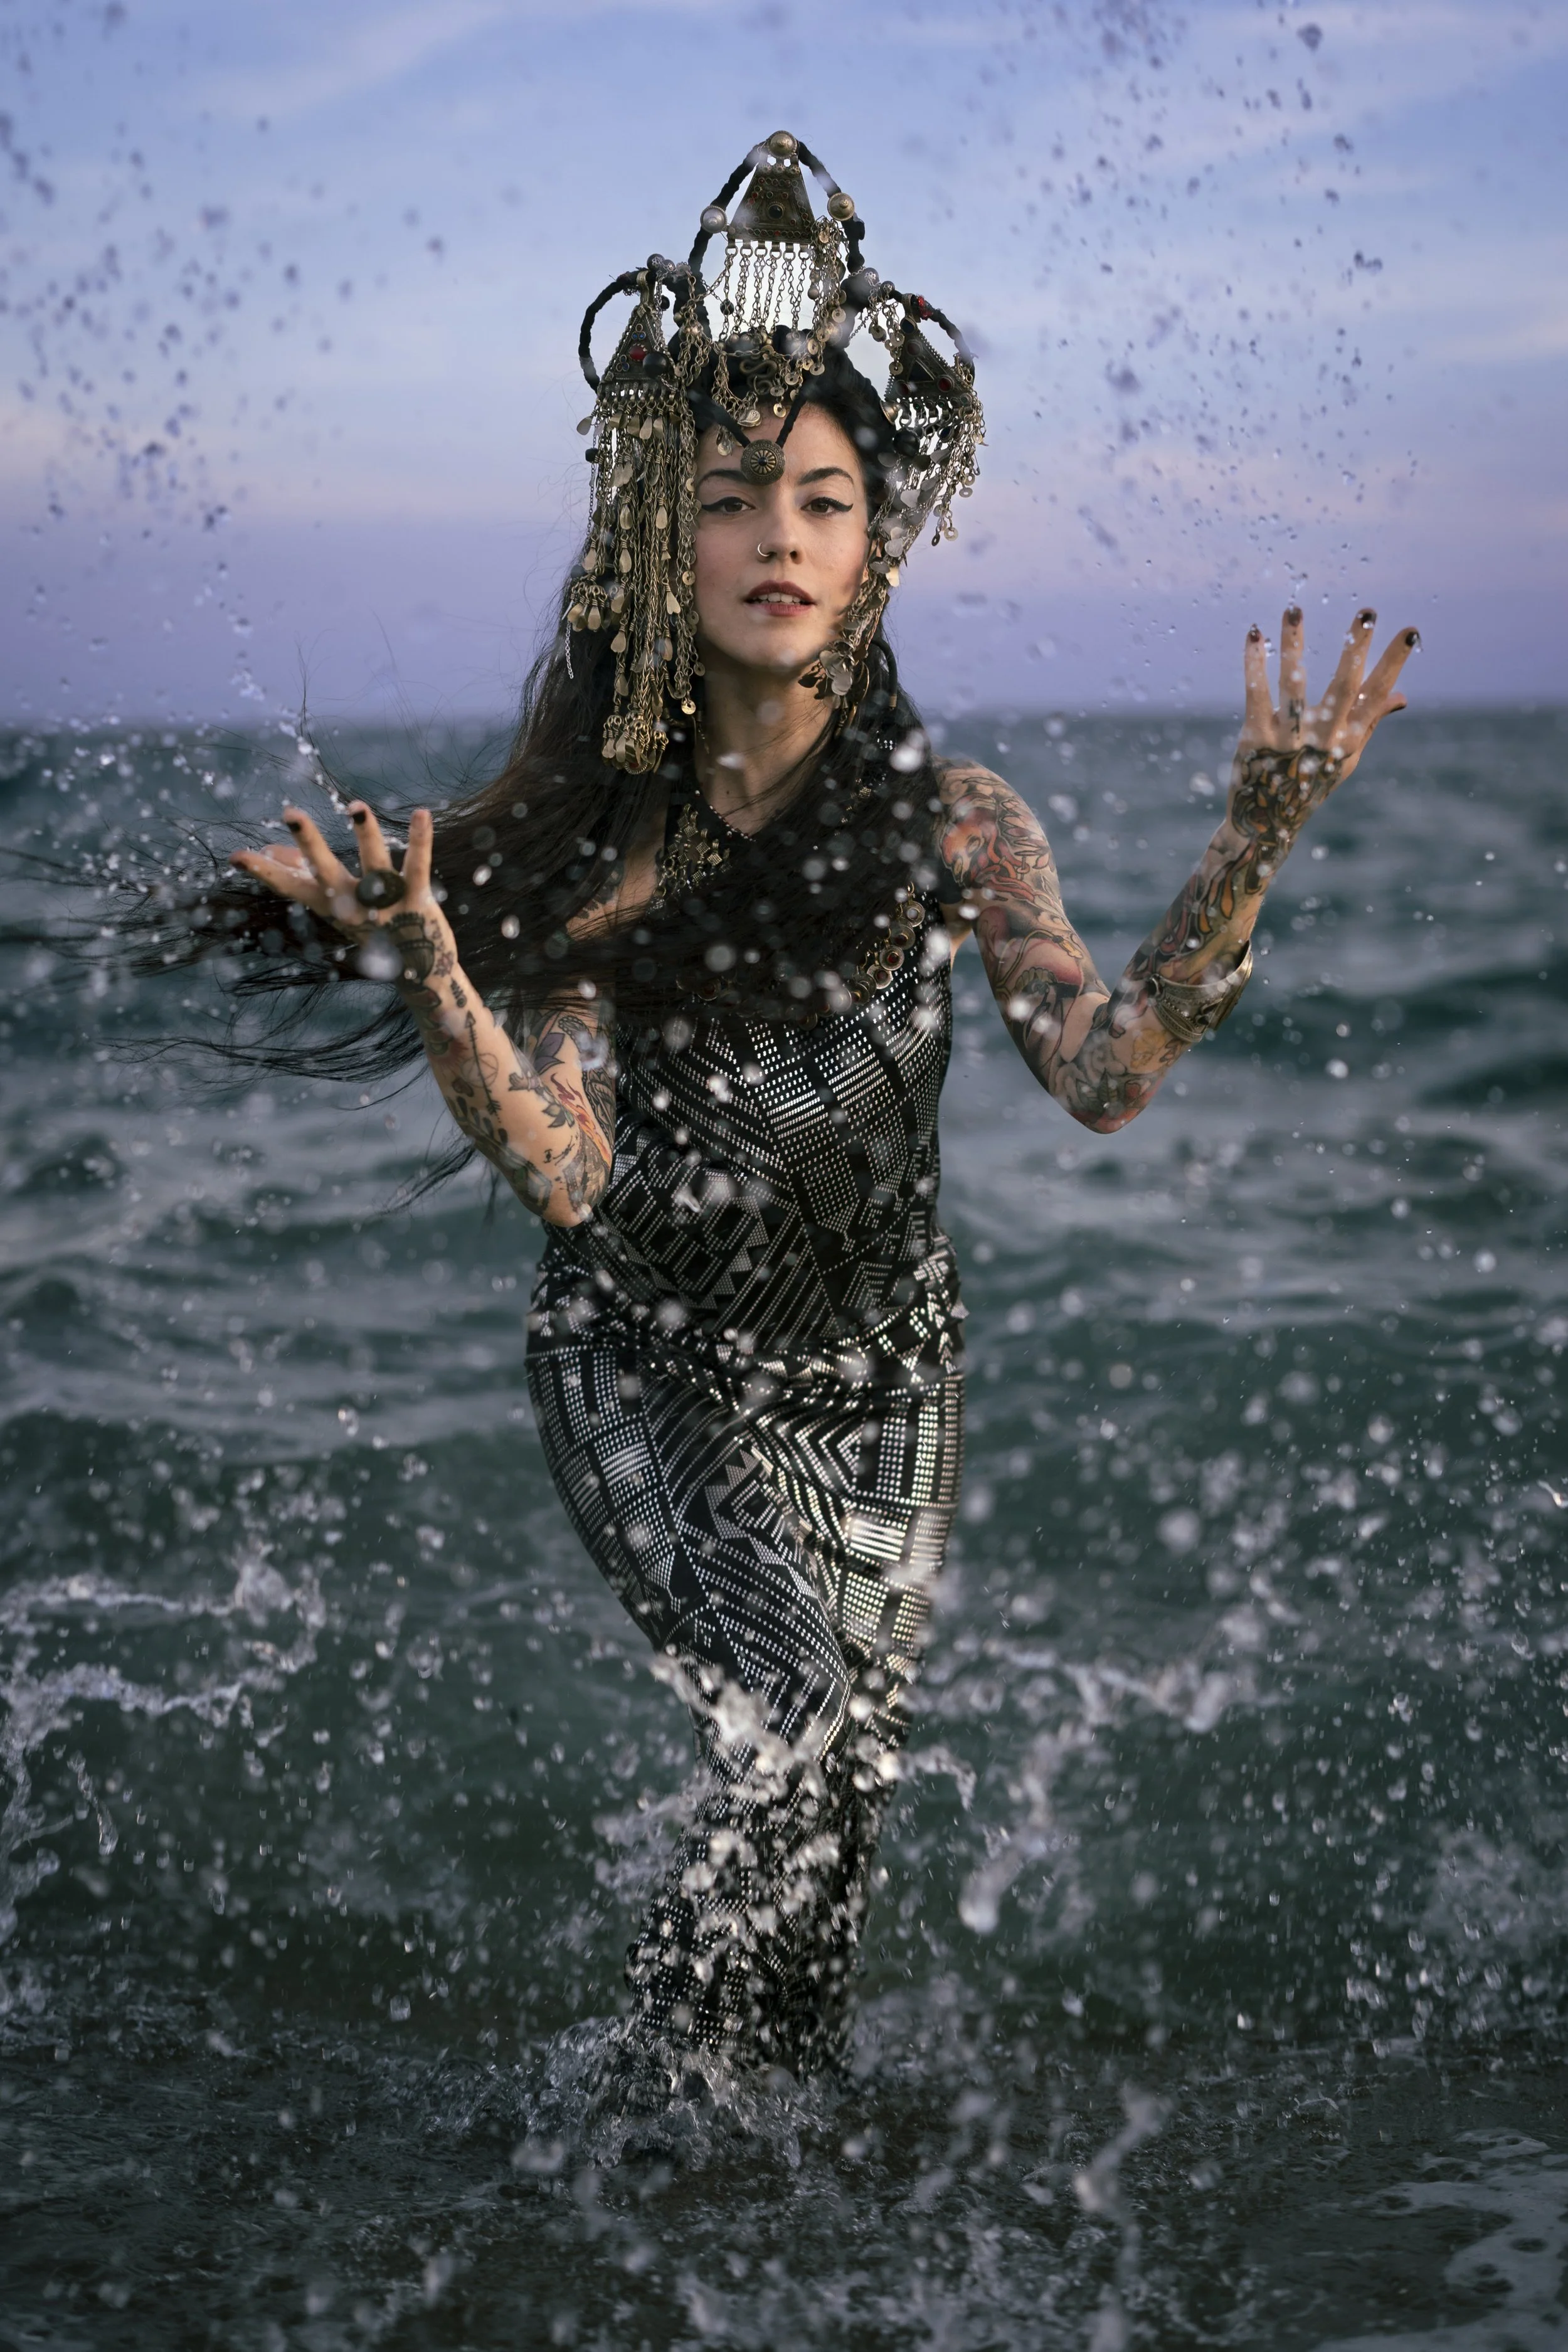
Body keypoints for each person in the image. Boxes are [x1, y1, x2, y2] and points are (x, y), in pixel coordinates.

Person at [211, 132, 1417, 2080]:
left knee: (831, 1824)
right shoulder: (605, 863)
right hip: (653, 1360)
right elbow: (566, 1168)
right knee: (789, 1728)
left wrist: (1249, 844)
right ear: (662, 548)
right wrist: (435, 960)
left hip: (890, 1378)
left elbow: (1106, 1072)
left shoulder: (959, 822)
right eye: (729, 498)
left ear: (869, 555)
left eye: (823, 498)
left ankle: (725, 2135)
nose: (777, 531)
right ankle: (653, 2131)